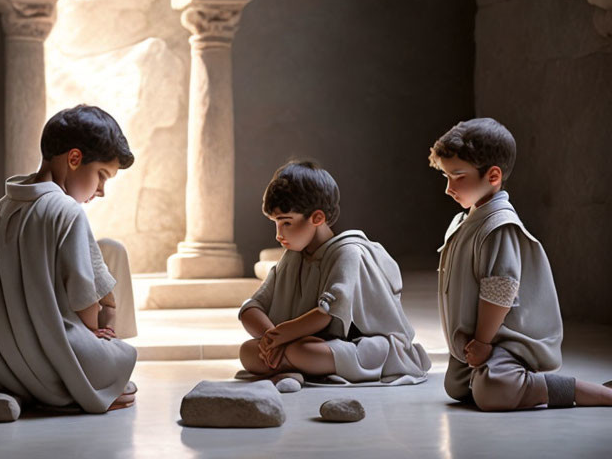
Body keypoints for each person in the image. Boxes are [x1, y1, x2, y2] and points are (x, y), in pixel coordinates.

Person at [0, 105, 138, 413]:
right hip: (50, 366)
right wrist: (94, 333)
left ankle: (21, 390)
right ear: (74, 159)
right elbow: (85, 299)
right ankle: (81, 389)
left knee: (109, 251)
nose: (102, 190)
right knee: (122, 361)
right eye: (102, 176)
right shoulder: (68, 212)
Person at [429, 117, 612, 410]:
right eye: (446, 176)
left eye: (458, 176)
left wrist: (484, 342)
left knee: (495, 391)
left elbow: (499, 291)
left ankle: (593, 393)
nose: (449, 187)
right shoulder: (466, 221)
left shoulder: (498, 227)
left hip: (507, 339)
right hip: (482, 338)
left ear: (492, 176)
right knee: (456, 386)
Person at [238, 160, 430, 388]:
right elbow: (252, 307)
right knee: (248, 352)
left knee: (304, 351)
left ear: (317, 218)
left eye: (286, 222)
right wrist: (273, 339)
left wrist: (282, 336)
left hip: (359, 344)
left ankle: (289, 368)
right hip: (303, 342)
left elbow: (326, 313)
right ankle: (289, 365)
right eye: (275, 223)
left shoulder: (348, 251)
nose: (279, 234)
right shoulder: (293, 255)